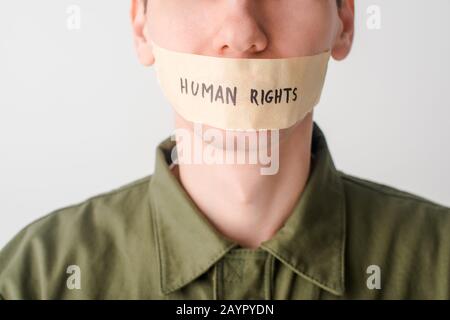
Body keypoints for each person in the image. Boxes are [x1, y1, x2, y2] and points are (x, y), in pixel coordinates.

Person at [0, 0, 449, 300]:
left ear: (344, 20)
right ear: (141, 24)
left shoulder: (439, 264)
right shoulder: (33, 278)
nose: (241, 32)